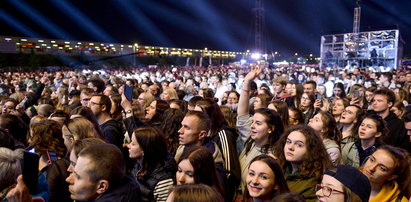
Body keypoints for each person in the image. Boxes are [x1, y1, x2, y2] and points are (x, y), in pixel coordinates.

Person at [66, 143, 142, 201]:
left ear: (102, 186)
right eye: (73, 173)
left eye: (78, 177)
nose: (68, 179)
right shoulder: (128, 187)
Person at [274, 125, 331, 202]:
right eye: (288, 142)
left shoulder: (312, 184)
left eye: (299, 145)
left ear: (311, 151)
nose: (290, 147)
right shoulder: (279, 167)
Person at [127, 127, 176, 202]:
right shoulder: (140, 164)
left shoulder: (163, 181)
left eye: (133, 144)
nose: (128, 146)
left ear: (144, 150)